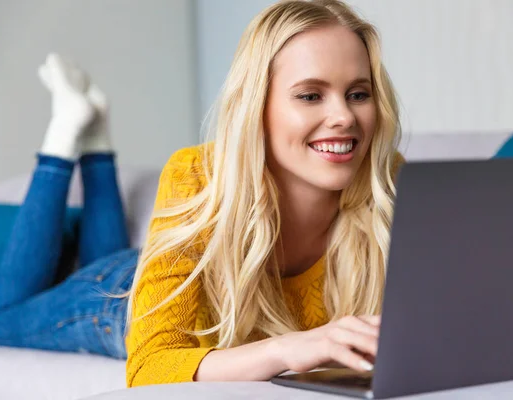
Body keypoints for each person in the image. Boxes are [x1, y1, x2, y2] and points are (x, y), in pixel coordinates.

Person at [126, 0, 404, 387]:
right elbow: (148, 369)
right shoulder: (197, 178)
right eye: (310, 96)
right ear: (257, 108)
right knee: (13, 311)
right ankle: (83, 150)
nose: (344, 117)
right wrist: (286, 349)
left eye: (358, 94)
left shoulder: (391, 182)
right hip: (124, 296)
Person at [0, 52, 135, 359]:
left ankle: (83, 132)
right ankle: (71, 132)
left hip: (150, 270)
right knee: (4, 322)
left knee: (4, 322)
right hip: (142, 295)